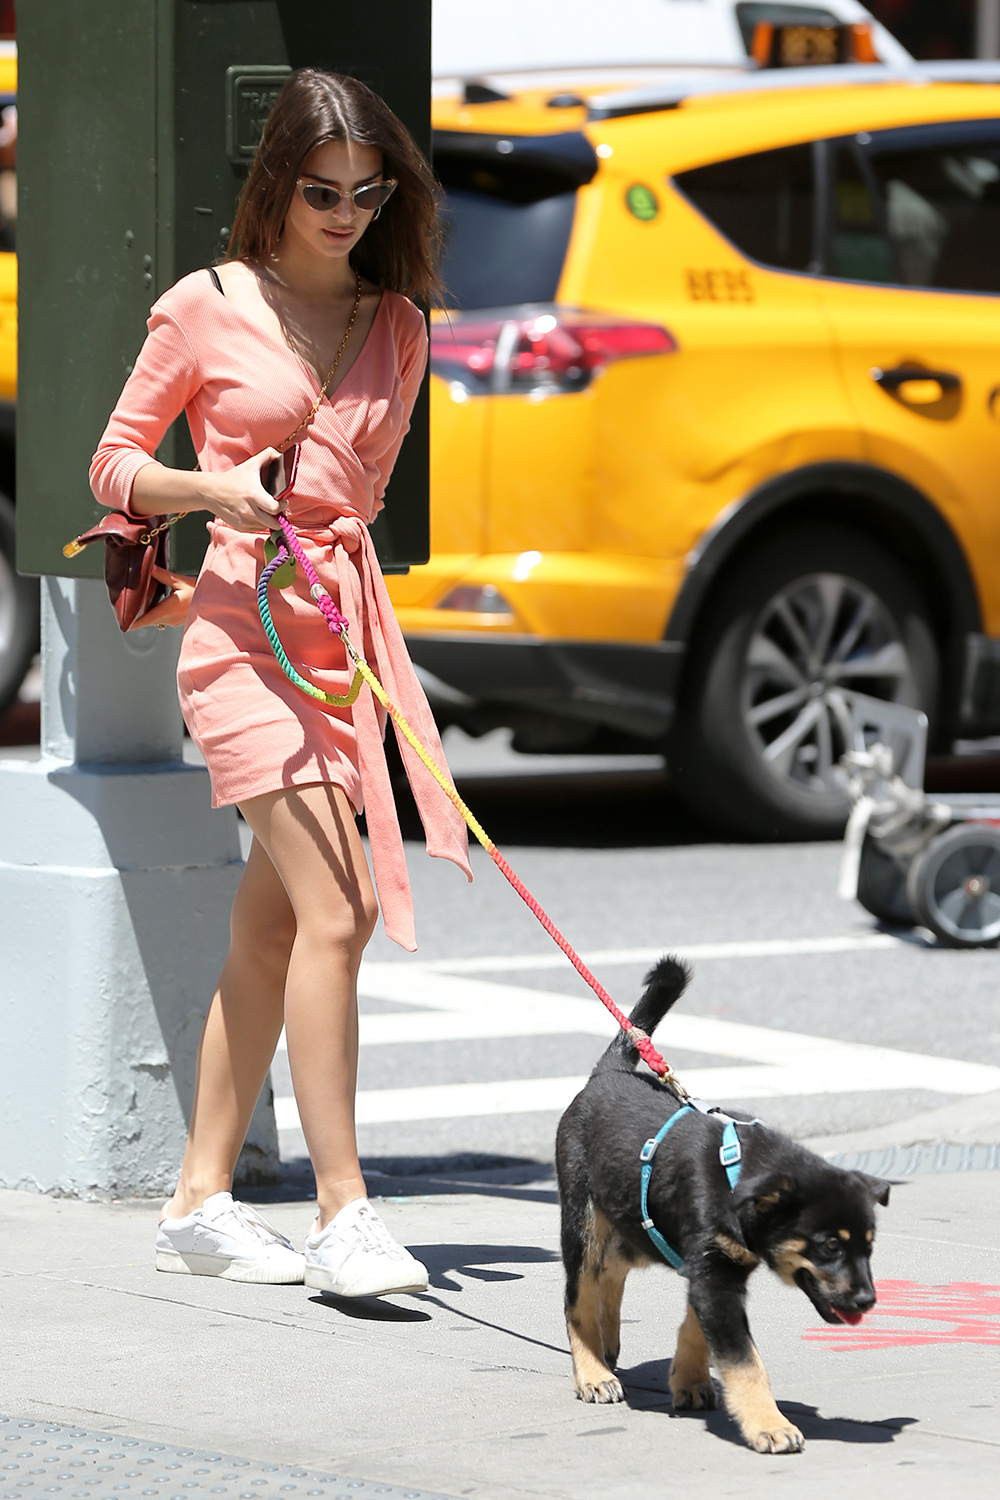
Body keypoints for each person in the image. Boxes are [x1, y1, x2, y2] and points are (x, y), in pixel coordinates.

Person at [89, 70, 471, 1297]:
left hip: (336, 649)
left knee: (270, 931)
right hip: (237, 642)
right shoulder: (203, 307)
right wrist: (212, 492)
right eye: (322, 191)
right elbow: (112, 468)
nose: (347, 213)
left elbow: (355, 502)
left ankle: (199, 1199)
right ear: (276, 184)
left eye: (370, 193)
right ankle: (344, 1210)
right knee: (341, 912)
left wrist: (342, 583)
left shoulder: (400, 326)